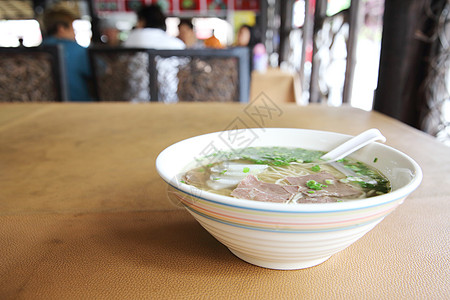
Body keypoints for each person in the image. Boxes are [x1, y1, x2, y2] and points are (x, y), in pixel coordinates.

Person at [123, 4, 185, 103]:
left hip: (136, 100)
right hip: (168, 100)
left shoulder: (131, 39)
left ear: (142, 21)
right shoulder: (177, 44)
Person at [42, 5, 93, 101]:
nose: (74, 33)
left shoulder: (38, 52)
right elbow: (101, 71)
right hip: (79, 106)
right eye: (72, 28)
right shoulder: (77, 50)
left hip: (45, 108)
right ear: (61, 29)